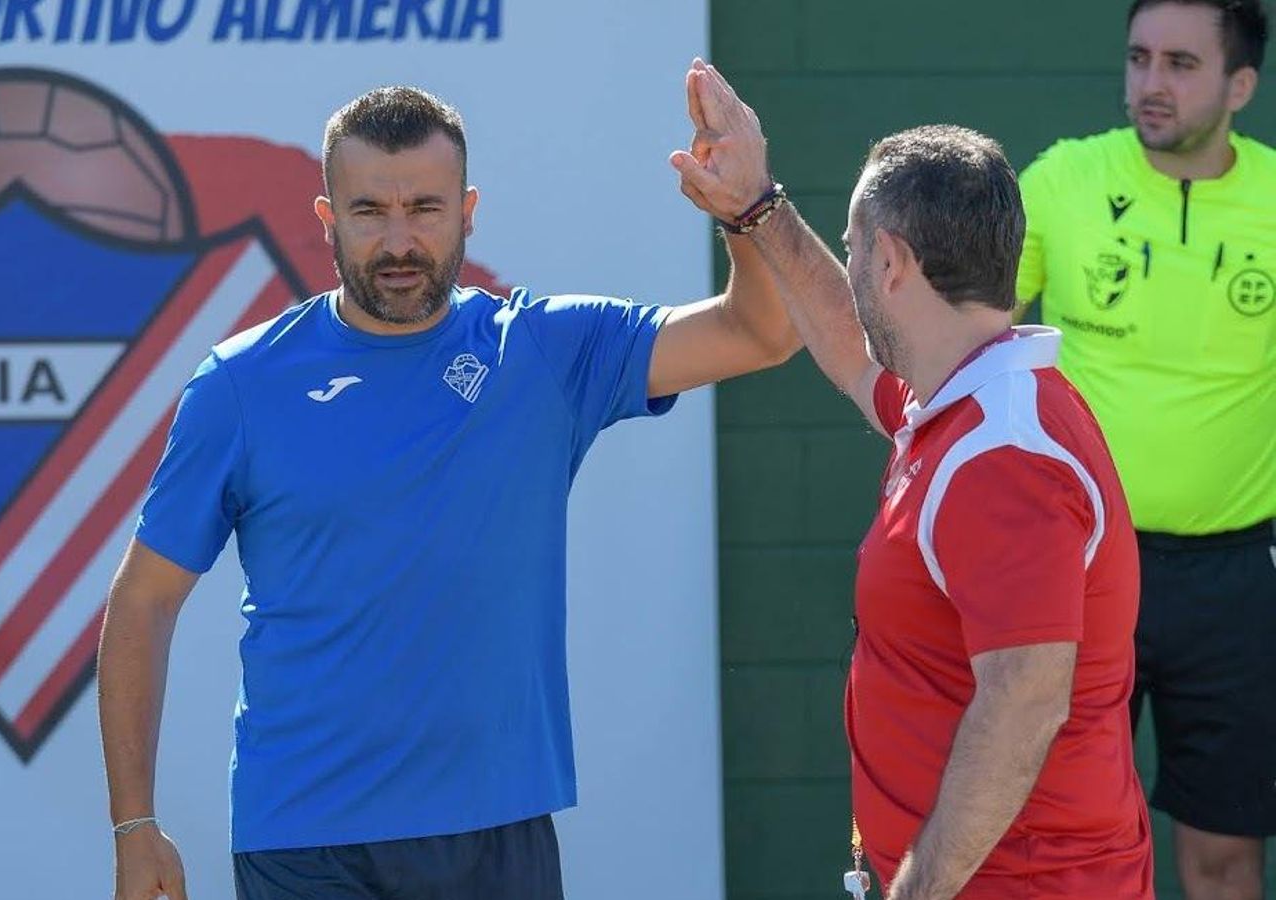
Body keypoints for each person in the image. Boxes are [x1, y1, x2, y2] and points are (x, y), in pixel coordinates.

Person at [97, 77, 799, 900]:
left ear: (468, 212)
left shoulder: (542, 350)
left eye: (425, 210)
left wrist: (747, 210)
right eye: (369, 213)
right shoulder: (241, 384)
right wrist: (134, 823)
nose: (399, 242)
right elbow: (143, 601)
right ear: (327, 220)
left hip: (495, 834)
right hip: (305, 839)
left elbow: (763, 331)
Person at [669, 64, 1154, 898]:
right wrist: (757, 208)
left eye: (856, 248)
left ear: (892, 262)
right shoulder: (963, 402)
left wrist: (916, 890)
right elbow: (848, 346)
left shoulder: (1005, 454)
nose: (849, 266)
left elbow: (1025, 702)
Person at [1015, 2, 1276, 896]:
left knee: (1226, 856)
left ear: (1240, 85)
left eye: (1180, 64)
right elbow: (965, 336)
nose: (1151, 84)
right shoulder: (1062, 180)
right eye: (1138, 59)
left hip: (1238, 581)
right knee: (1064, 847)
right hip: (1083, 570)